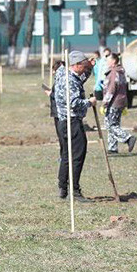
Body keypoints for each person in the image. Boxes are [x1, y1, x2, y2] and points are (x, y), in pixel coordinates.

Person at [53, 51, 96, 201]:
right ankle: (75, 190)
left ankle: (62, 187)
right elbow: (74, 103)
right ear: (76, 65)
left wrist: (90, 67)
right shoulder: (69, 80)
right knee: (77, 155)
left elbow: (79, 80)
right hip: (72, 121)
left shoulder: (63, 75)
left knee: (66, 155)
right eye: (83, 66)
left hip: (64, 122)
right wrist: (89, 103)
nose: (84, 69)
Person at [102, 53, 136, 154]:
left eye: (108, 60)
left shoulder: (113, 72)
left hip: (114, 102)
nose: (107, 62)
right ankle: (112, 148)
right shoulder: (120, 72)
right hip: (120, 101)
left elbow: (112, 89)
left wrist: (105, 102)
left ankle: (128, 138)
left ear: (113, 61)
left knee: (110, 125)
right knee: (114, 124)